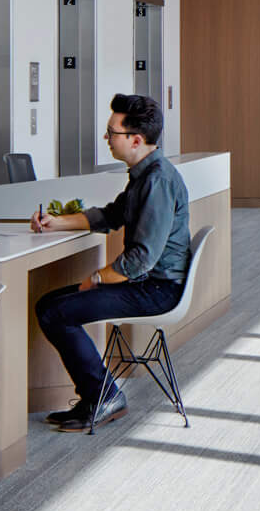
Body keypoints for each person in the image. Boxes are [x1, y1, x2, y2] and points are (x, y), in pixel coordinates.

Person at [28, 93, 191, 431]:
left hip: (157, 290)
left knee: (55, 313)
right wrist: (57, 222)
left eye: (112, 133)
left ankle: (103, 396)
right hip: (146, 284)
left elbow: (142, 258)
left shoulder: (157, 180)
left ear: (136, 139)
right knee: (49, 305)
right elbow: (111, 215)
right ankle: (97, 395)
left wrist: (99, 278)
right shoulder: (144, 174)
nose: (106, 138)